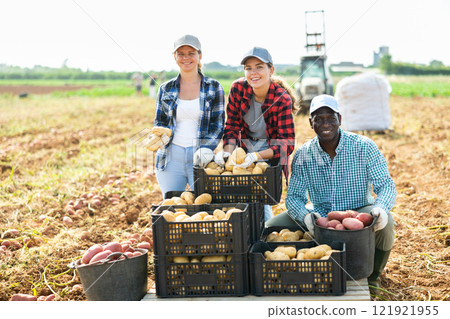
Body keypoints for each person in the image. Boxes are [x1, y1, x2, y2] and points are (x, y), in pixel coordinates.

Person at [266, 94, 397, 287]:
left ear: (340, 120)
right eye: (319, 119)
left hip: (359, 210)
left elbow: (385, 185)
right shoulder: (304, 154)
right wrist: (305, 217)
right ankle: (286, 272)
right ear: (311, 123)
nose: (325, 123)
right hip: (320, 214)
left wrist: (381, 208)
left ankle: (373, 278)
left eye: (330, 118)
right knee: (271, 226)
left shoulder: (364, 146)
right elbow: (294, 196)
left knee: (387, 224)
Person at [215, 47, 296, 221]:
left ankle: (264, 230)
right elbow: (232, 126)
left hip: (270, 149)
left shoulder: (282, 99)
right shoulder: (238, 89)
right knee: (241, 194)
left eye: (259, 67)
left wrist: (256, 156)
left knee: (260, 197)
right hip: (245, 146)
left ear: (271, 70)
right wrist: (229, 152)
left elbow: (286, 144)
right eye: (249, 68)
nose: (254, 73)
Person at [152, 35, 225, 197]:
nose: (186, 57)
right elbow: (159, 122)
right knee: (173, 206)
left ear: (200, 55)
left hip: (201, 159)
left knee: (203, 208)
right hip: (170, 159)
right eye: (181, 53)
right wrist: (158, 137)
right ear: (175, 57)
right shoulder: (166, 88)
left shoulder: (214, 87)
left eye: (191, 53)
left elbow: (218, 125)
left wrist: (205, 149)